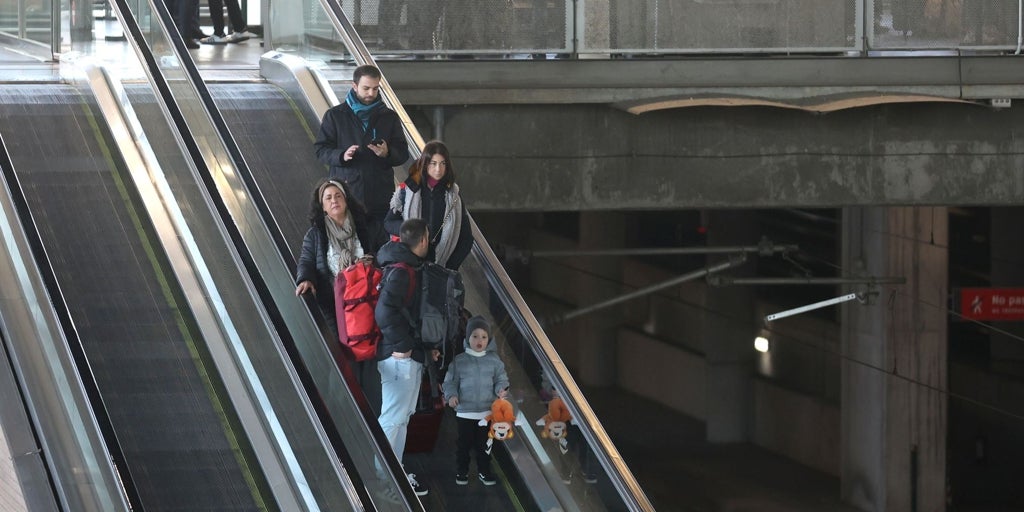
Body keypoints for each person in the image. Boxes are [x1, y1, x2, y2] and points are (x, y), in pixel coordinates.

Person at [314, 65, 410, 253]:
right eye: (366, 88)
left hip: (381, 198)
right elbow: (320, 150)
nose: (371, 93)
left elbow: (403, 152)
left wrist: (387, 153)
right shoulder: (335, 116)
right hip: (349, 196)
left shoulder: (388, 117)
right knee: (352, 252)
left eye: (375, 88)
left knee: (381, 251)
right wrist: (342, 155)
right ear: (354, 86)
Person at [374, 218, 437, 497]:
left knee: (401, 418)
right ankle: (382, 478)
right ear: (423, 240)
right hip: (397, 355)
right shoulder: (403, 271)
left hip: (404, 354)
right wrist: (403, 347)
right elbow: (384, 312)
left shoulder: (405, 265)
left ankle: (393, 473)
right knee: (393, 417)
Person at [294, 178, 374, 339]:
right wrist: (305, 279)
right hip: (336, 301)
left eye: (338, 196)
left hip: (369, 296)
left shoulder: (366, 226)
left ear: (346, 200)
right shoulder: (315, 234)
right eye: (328, 198)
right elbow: (306, 260)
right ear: (322, 206)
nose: (334, 200)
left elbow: (382, 252)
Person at [384, 140, 472, 270]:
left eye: (443, 164)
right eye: (433, 163)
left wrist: (450, 266)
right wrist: (410, 232)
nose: (438, 169)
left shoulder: (453, 196)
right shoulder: (408, 190)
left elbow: (466, 238)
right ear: (425, 164)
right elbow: (389, 222)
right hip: (409, 264)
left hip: (441, 267)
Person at [442, 315, 509, 486]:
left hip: (486, 412)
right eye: (475, 336)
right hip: (465, 412)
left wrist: (501, 389)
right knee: (463, 445)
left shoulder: (494, 360)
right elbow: (450, 382)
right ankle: (462, 471)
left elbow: (501, 379)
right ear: (468, 338)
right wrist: (451, 396)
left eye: (484, 337)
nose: (479, 340)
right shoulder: (459, 361)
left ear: (489, 339)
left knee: (485, 445)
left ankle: (484, 472)